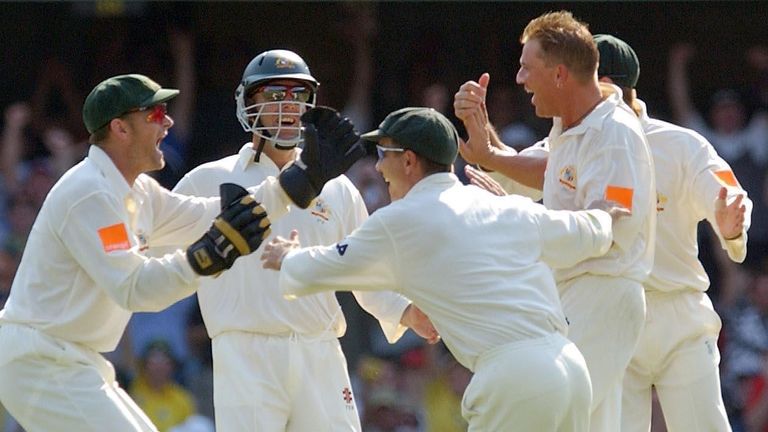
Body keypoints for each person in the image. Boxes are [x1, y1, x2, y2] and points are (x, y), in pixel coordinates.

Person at [0, 73, 358, 432]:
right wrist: (205, 257)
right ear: (121, 129)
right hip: (40, 361)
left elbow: (206, 217)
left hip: (75, 361)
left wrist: (300, 181)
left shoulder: (137, 190)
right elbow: (134, 288)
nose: (168, 122)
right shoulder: (92, 193)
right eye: (155, 114)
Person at [260, 106, 635, 431]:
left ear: (408, 160)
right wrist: (603, 216)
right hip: (570, 368)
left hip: (515, 380)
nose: (377, 166)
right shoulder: (502, 206)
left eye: (382, 153)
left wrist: (288, 256)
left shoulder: (399, 220)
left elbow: (329, 266)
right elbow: (579, 233)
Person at [172, 49, 438, 432]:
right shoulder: (205, 180)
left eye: (296, 96)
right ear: (249, 103)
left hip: (319, 351)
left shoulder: (338, 188)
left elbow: (364, 266)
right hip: (246, 354)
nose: (287, 108)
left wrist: (406, 311)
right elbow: (156, 254)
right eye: (274, 97)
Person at [453, 11, 656, 432]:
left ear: (560, 74)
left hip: (604, 293)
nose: (521, 78)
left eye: (528, 67)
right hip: (573, 293)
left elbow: (610, 227)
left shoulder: (614, 134)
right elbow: (550, 169)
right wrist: (488, 153)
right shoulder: (571, 125)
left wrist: (522, 216)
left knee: (553, 417)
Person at [589, 34, 751, 431]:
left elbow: (726, 195)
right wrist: (491, 159)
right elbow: (517, 172)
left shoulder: (680, 144)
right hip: (612, 319)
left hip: (678, 318)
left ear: (605, 84)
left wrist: (731, 225)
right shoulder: (568, 143)